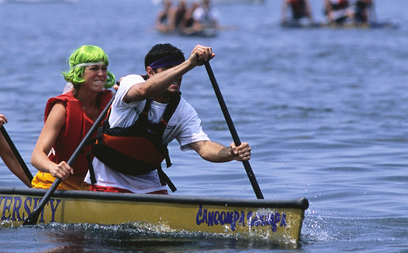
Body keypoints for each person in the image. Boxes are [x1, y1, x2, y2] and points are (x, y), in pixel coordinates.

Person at [85, 43, 252, 194]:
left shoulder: (183, 110)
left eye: (178, 69)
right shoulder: (131, 82)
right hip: (107, 180)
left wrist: (231, 153)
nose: (176, 76)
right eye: (168, 69)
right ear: (150, 72)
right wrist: (189, 64)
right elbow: (143, 91)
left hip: (148, 182)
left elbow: (204, 147)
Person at [30, 45, 115, 191]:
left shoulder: (112, 104)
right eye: (94, 69)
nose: (101, 74)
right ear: (79, 73)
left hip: (95, 183)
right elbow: (37, 156)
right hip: (58, 183)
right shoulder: (62, 108)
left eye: (104, 68)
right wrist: (53, 168)